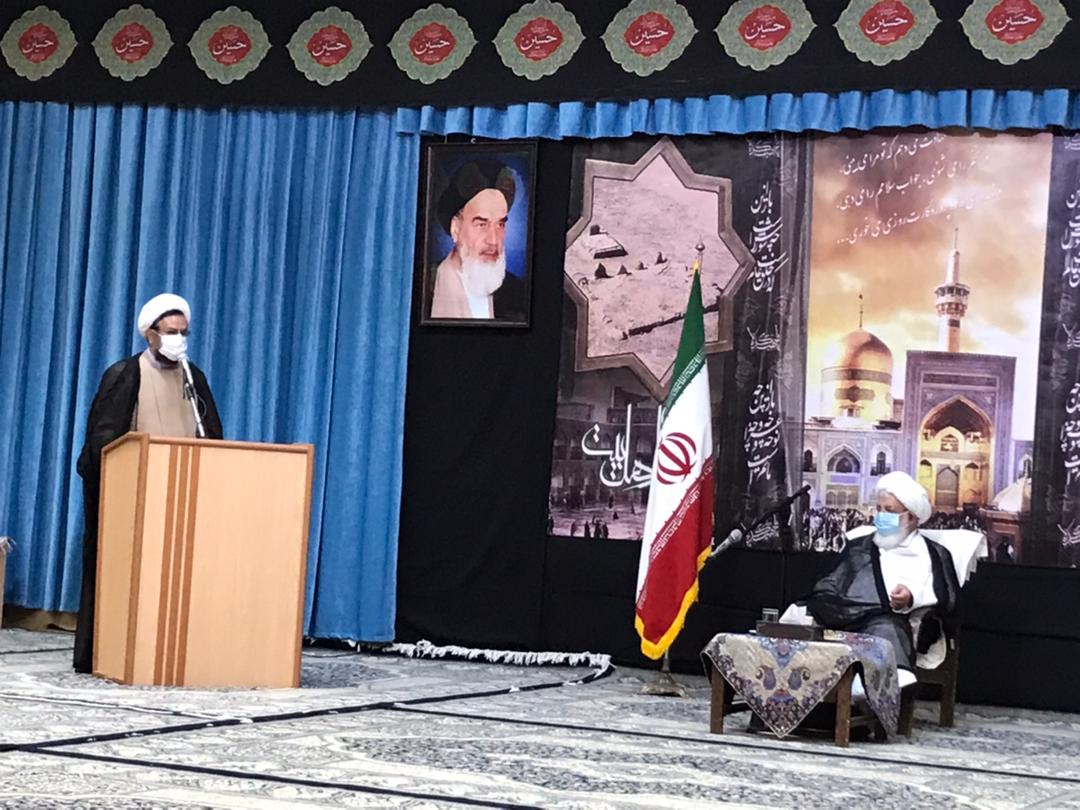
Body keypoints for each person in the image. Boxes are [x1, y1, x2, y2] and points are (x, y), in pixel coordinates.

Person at [72, 294, 223, 674]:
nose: (178, 339)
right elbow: (101, 443)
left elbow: (212, 435)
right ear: (150, 334)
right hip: (135, 495)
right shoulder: (125, 374)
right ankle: (113, 651)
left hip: (184, 492)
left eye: (183, 332)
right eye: (171, 332)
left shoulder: (194, 377)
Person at [790, 471, 960, 688]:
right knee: (796, 616)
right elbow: (832, 581)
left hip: (893, 623)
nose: (881, 515)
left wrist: (910, 598)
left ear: (912, 517)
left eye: (890, 510)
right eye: (879, 509)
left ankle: (875, 691)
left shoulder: (931, 553)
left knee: (886, 628)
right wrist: (830, 599)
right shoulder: (859, 545)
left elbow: (947, 598)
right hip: (844, 617)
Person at [430, 158, 526, 321]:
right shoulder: (426, 288)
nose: (493, 240)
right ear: (456, 228)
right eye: (482, 225)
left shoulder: (516, 293)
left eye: (500, 225)